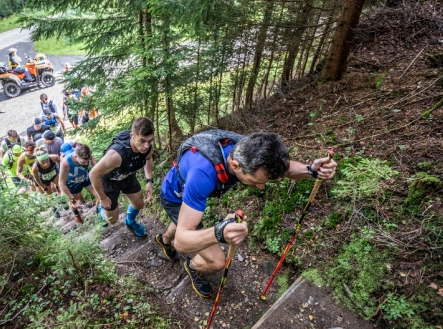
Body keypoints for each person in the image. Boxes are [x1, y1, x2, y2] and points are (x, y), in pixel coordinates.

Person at [154, 130, 337, 298]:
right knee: (217, 261)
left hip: (190, 192)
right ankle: (193, 267)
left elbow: (286, 169)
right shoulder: (202, 174)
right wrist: (218, 233)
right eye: (256, 181)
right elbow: (183, 242)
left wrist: (311, 170)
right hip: (174, 196)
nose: (261, 186)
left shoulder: (248, 148)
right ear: (235, 165)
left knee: (183, 221)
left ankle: (163, 240)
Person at [88, 117, 155, 237]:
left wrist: (149, 180)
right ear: (132, 136)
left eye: (149, 141)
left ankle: (130, 222)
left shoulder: (147, 147)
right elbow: (93, 174)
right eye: (142, 141)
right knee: (112, 220)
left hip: (127, 175)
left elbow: (149, 158)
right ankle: (101, 211)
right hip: (109, 182)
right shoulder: (116, 155)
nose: (146, 146)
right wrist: (102, 198)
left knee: (139, 204)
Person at [58, 143, 98, 210]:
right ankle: (76, 214)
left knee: (100, 196)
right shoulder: (65, 163)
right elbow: (61, 183)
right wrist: (73, 200)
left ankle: (97, 210)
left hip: (85, 178)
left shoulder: (87, 154)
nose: (86, 164)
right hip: (72, 184)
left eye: (87, 162)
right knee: (73, 204)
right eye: (83, 162)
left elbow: (97, 167)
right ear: (76, 156)